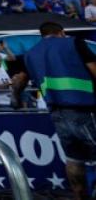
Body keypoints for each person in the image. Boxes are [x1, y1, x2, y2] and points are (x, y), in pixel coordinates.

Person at [22, 21, 96, 200]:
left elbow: (19, 81)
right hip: (84, 110)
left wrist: (16, 98)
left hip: (57, 114)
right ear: (61, 32)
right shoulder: (73, 42)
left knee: (74, 158)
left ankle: (79, 196)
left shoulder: (31, 54)